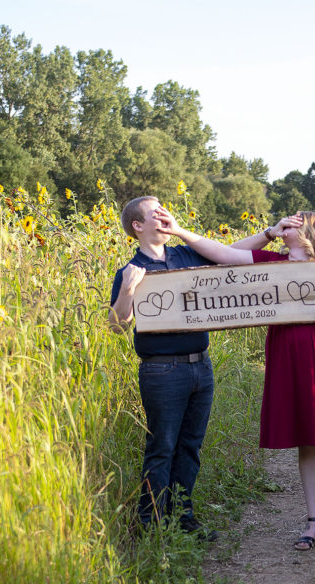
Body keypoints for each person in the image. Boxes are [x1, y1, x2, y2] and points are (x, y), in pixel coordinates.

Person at [156, 209, 315, 552]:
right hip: (291, 358)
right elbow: (222, 254)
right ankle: (314, 521)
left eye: (293, 220)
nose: (287, 222)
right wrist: (181, 231)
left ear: (310, 230)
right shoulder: (271, 262)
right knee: (308, 439)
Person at [108, 196, 276, 541]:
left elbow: (230, 252)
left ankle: (183, 518)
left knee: (190, 447)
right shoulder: (131, 270)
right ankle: (151, 524)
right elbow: (117, 325)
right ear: (138, 226)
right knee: (162, 447)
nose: (164, 214)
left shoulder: (185, 255)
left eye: (164, 208)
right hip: (162, 371)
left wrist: (270, 234)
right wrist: (127, 290)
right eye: (155, 212)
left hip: (201, 366)